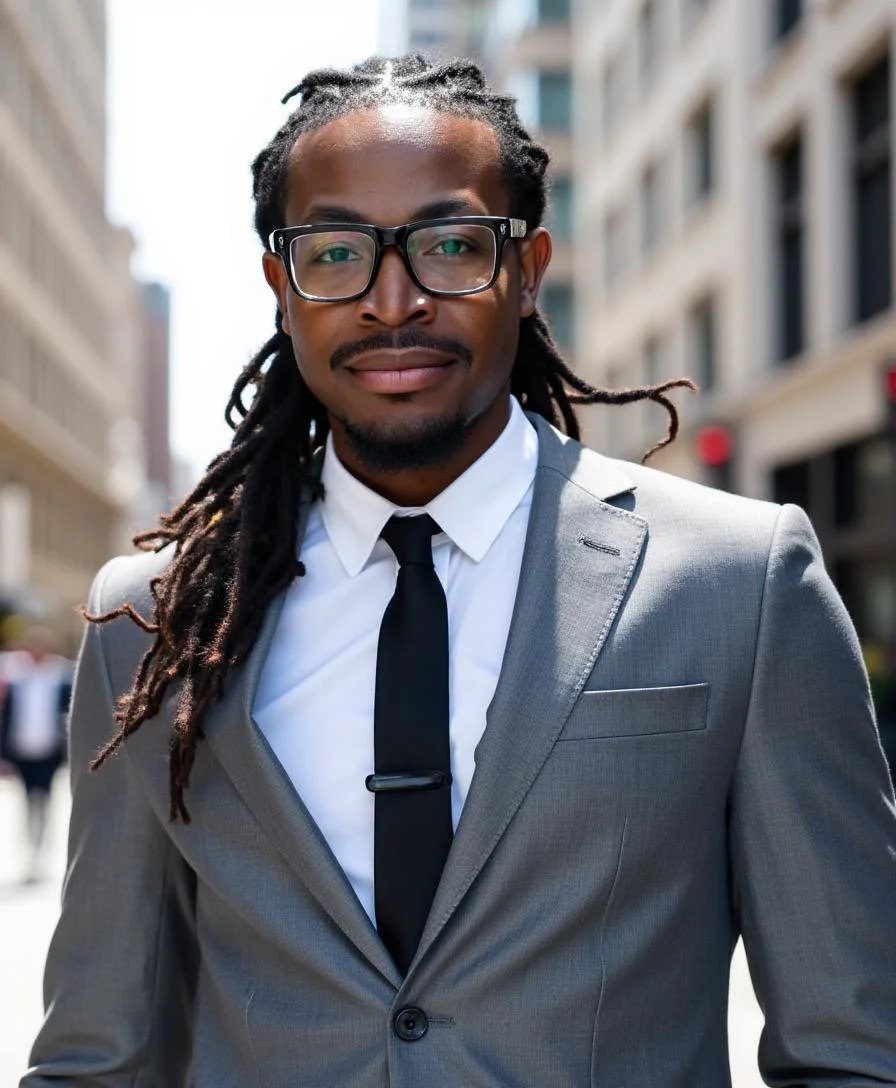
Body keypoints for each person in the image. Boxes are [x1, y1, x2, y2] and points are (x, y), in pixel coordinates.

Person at [23, 55, 896, 1087]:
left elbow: (852, 1049)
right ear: (280, 285)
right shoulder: (152, 622)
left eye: (448, 245)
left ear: (527, 271)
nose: (393, 302)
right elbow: (96, 1057)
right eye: (336, 251)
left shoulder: (738, 584)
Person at [0, 627, 71, 882]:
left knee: (45, 802)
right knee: (27, 802)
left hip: (48, 753)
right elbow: (6, 718)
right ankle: (29, 850)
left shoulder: (60, 677)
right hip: (21, 752)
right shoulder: (17, 678)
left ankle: (40, 851)